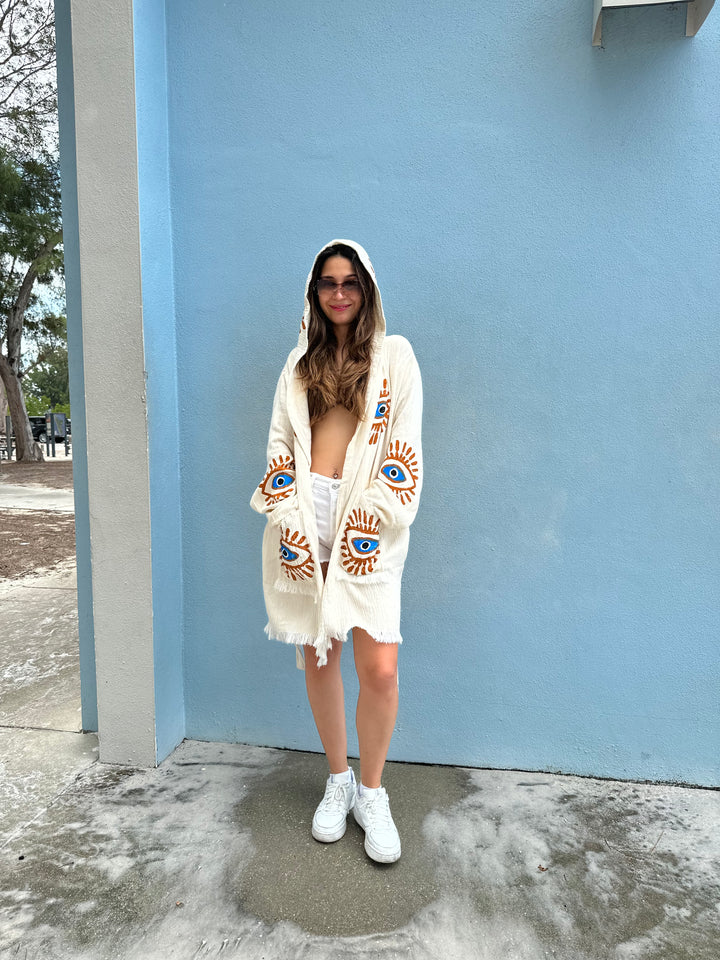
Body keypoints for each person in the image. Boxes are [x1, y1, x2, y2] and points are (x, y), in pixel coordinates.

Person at [250, 239, 423, 863]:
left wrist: (370, 517)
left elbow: (404, 445)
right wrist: (289, 515)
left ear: (368, 288)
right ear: (315, 291)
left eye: (351, 281)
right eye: (328, 282)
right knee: (320, 658)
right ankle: (338, 778)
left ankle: (372, 793)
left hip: (367, 522)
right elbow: (279, 443)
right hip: (305, 518)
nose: (340, 292)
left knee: (379, 667)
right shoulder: (297, 365)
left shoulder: (395, 358)